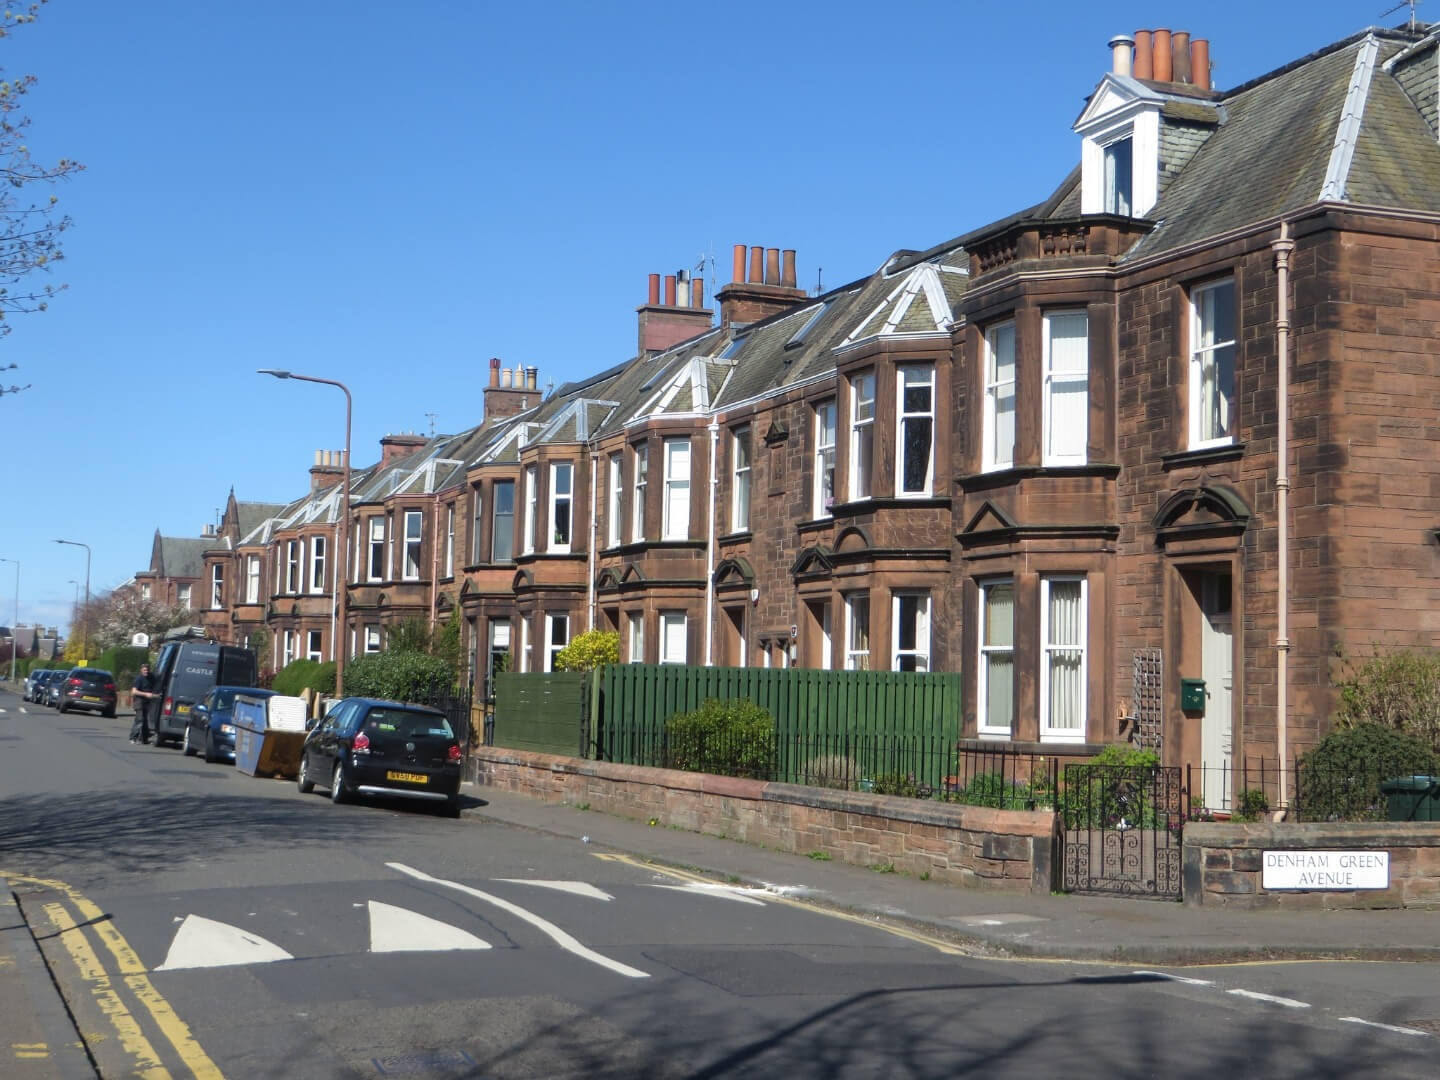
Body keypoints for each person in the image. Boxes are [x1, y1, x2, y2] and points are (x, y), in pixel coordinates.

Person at [130, 663, 158, 744]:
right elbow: (134, 691)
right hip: (139, 701)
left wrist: (156, 695)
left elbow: (155, 688)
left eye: (147, 670)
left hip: (147, 702)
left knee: (145, 720)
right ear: (141, 670)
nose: (146, 671)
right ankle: (133, 737)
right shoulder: (139, 679)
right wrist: (145, 694)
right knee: (139, 719)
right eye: (144, 670)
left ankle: (144, 739)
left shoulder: (152, 677)